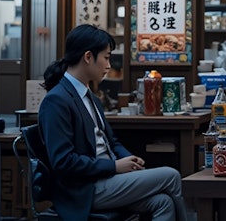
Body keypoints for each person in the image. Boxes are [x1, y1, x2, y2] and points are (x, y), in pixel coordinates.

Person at [39, 24, 188, 221]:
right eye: (106, 58)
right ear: (88, 57)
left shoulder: (88, 95)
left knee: (163, 202)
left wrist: (131, 160)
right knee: (171, 175)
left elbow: (112, 142)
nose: (109, 65)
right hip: (84, 189)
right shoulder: (57, 100)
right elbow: (63, 162)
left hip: (107, 179)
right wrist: (114, 166)